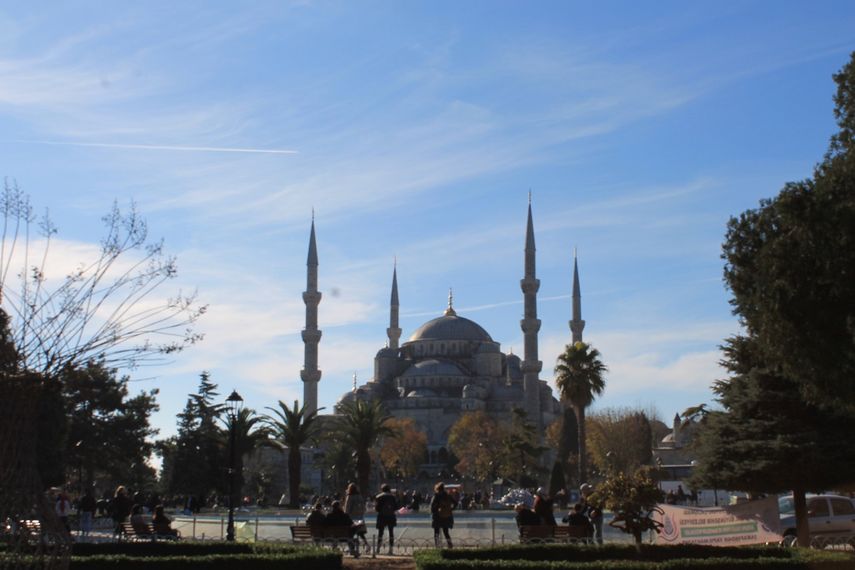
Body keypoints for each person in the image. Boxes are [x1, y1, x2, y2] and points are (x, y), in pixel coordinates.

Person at [344, 483, 370, 551]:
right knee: (360, 533)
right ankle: (367, 544)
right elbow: (364, 508)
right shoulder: (360, 497)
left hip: (352, 519)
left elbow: (347, 509)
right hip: (360, 518)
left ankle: (351, 547)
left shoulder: (350, 497)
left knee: (350, 533)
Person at [374, 483, 398, 555]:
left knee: (380, 533)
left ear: (382, 489)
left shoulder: (379, 497)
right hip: (391, 516)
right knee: (391, 532)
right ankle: (391, 550)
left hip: (382, 516)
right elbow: (396, 507)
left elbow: (377, 508)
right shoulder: (392, 497)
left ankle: (378, 549)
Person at [430, 482, 454, 548]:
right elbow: (455, 503)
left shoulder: (436, 496)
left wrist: (435, 511)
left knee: (436, 532)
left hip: (437, 516)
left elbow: (432, 507)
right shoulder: (448, 495)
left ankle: (437, 545)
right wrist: (451, 509)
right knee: (446, 531)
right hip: (446, 516)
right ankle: (450, 544)